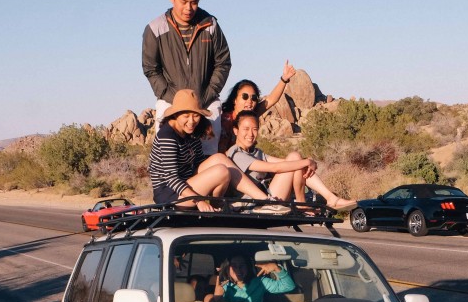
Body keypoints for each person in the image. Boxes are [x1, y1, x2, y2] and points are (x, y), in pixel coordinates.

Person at [143, 0, 230, 155]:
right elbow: (151, 68)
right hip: (170, 102)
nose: (188, 8)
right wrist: (171, 97)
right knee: (170, 154)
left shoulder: (210, 25)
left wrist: (208, 94)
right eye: (183, 1)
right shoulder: (155, 28)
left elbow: (223, 62)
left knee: (208, 156)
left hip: (206, 101)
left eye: (194, 2)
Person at [149, 89, 273, 212]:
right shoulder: (167, 136)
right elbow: (171, 178)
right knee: (221, 171)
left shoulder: (191, 132)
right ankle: (219, 206)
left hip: (187, 183)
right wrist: (199, 201)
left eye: (196, 115)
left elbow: (199, 162)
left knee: (219, 158)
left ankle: (264, 200)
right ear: (176, 114)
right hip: (171, 195)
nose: (192, 121)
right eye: (186, 116)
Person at [227, 110, 358, 211]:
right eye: (245, 129)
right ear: (235, 131)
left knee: (295, 158)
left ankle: (329, 198)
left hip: (268, 199)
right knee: (296, 160)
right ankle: (306, 203)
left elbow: (284, 162)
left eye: (254, 129)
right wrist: (307, 162)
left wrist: (305, 162)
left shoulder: (256, 152)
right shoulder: (236, 154)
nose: (250, 134)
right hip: (251, 205)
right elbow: (275, 168)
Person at [218, 62, 296, 153]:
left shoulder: (250, 116)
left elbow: (271, 100)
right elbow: (221, 152)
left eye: (254, 98)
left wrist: (284, 79)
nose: (250, 101)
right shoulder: (226, 121)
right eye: (245, 97)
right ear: (234, 100)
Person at [205, 254, 295, 302]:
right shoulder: (222, 287)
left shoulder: (260, 282)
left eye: (242, 266)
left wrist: (276, 268)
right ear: (227, 269)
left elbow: (289, 286)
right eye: (234, 266)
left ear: (248, 267)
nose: (238, 270)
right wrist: (217, 297)